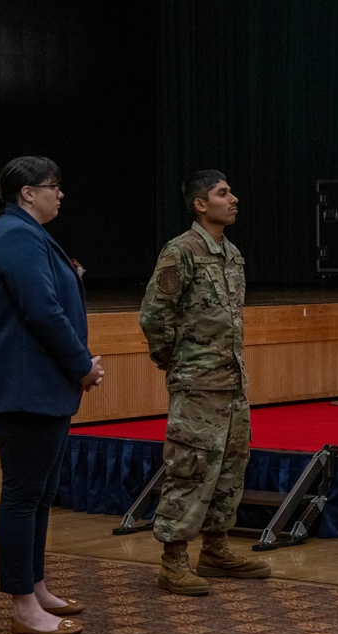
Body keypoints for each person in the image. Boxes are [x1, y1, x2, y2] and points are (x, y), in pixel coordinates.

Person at [0, 156, 105, 634]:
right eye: (53, 186)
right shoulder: (17, 235)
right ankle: (23, 604)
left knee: (42, 494)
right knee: (24, 495)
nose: (60, 194)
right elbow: (43, 311)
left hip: (39, 386)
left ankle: (36, 585)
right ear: (27, 193)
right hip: (24, 388)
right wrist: (83, 365)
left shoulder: (27, 234)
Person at [140, 169, 270, 596]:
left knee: (230, 470)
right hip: (198, 385)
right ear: (200, 204)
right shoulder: (182, 252)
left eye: (231, 192)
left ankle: (215, 549)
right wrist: (177, 363)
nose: (233, 199)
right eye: (222, 193)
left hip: (232, 384)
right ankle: (173, 560)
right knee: (190, 469)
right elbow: (155, 316)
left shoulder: (231, 254)